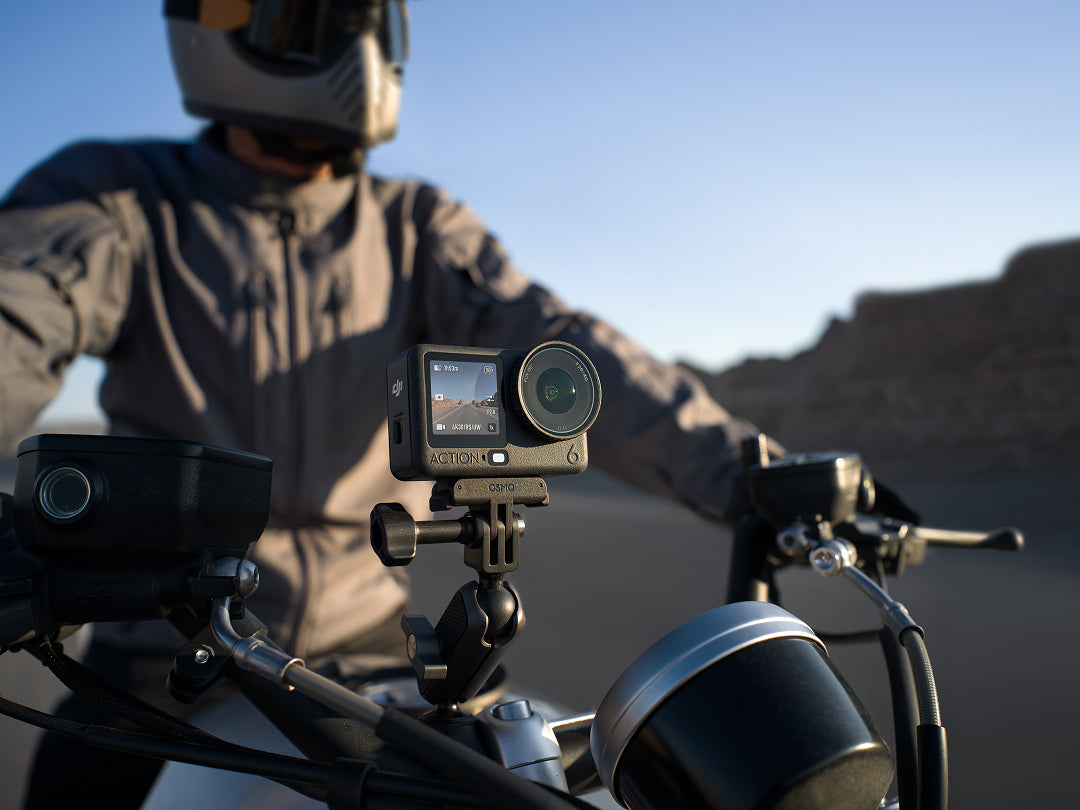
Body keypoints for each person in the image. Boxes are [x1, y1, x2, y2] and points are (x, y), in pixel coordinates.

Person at [0, 1, 781, 807]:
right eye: (314, 21)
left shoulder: (416, 226)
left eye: (367, 22)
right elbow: (14, 309)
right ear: (218, 25)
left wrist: (751, 474)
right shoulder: (118, 197)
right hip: (168, 641)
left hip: (372, 648)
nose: (356, 50)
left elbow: (560, 352)